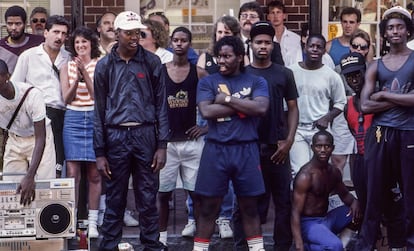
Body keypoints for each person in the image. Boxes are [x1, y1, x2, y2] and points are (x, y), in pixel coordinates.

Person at [94, 11, 168, 251]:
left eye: (138, 32)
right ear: (117, 34)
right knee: (115, 197)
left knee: (147, 196)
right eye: (129, 33)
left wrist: (162, 145)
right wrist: (100, 152)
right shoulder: (104, 65)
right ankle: (109, 245)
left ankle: (151, 244)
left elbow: (161, 105)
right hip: (115, 135)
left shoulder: (152, 62)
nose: (134, 37)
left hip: (145, 134)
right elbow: (99, 110)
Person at [193, 35, 269, 251]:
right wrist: (245, 105)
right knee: (208, 207)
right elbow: (206, 111)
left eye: (227, 56)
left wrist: (226, 100)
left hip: (246, 149)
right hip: (216, 149)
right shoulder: (208, 81)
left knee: (249, 207)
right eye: (219, 56)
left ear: (240, 57)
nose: (221, 61)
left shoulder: (256, 81)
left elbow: (261, 109)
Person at [353, 6, 414, 250]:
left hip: (409, 132)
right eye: (390, 28)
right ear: (384, 34)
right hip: (380, 134)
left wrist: (384, 96)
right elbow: (365, 105)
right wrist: (401, 96)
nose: (395, 31)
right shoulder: (376, 65)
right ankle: (367, 244)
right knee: (374, 193)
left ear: (408, 31)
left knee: (410, 195)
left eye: (400, 27)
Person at [234, 21, 298, 251]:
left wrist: (289, 141)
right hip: (249, 149)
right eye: (258, 42)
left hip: (277, 148)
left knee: (283, 202)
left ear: (273, 45)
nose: (263, 46)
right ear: (250, 44)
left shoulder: (284, 74)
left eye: (267, 43)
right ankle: (246, 247)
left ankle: (282, 246)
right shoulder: (241, 74)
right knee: (247, 203)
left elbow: (293, 108)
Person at [157, 26, 208, 246]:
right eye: (176, 40)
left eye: (183, 40)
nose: (179, 44)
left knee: (196, 195)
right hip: (166, 144)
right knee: (162, 195)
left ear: (190, 43)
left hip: (191, 142)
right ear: (171, 42)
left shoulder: (199, 72)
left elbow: (219, 102)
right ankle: (161, 241)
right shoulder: (159, 70)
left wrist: (206, 128)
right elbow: (151, 103)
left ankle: (199, 242)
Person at [11, 15, 71, 178]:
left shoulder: (68, 58)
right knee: (28, 169)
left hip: (60, 117)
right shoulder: (28, 56)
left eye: (64, 34)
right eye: (56, 32)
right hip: (34, 116)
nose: (60, 37)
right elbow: (15, 88)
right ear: (45, 33)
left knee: (53, 170)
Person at [60, 26, 101, 238]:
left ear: (91, 44)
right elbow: (66, 98)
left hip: (94, 117)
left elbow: (98, 97)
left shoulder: (100, 64)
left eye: (84, 42)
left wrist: (85, 72)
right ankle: (73, 221)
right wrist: (77, 78)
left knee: (94, 173)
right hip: (73, 117)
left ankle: (93, 223)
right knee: (72, 173)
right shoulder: (66, 66)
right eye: (77, 43)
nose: (80, 46)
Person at [288, 34, 347, 176]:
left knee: (320, 172)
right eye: (311, 46)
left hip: (319, 130)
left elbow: (341, 102)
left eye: (319, 47)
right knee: (299, 172)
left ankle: (320, 199)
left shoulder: (331, 75)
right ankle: (300, 199)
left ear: (324, 51)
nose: (315, 49)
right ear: (305, 47)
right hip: (298, 130)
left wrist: (327, 118)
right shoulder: (290, 72)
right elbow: (285, 102)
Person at [291, 130, 360, 251]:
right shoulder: (305, 176)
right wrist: (298, 244)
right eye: (319, 146)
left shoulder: (333, 172)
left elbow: (345, 196)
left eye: (327, 146)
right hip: (309, 224)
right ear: (312, 147)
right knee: (334, 245)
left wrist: (356, 203)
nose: (323, 150)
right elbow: (295, 212)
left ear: (332, 148)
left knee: (361, 211)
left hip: (327, 219)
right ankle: (311, 246)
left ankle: (339, 246)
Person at [0, 59, 55, 205]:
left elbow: (41, 138)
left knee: (43, 187)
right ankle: (18, 226)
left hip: (38, 139)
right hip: (15, 138)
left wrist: (30, 176)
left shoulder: (32, 94)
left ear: (7, 76)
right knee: (11, 190)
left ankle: (43, 227)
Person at [238, 1, 284, 66]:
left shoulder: (273, 47)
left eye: (252, 16)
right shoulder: (232, 44)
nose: (248, 19)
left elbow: (279, 71)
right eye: (244, 16)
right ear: (239, 20)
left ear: (260, 20)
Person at [0, 5, 44, 73]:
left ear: (25, 24)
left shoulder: (39, 42)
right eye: (10, 24)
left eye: (18, 24)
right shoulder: (1, 46)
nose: (13, 28)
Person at [266, 0, 302, 66]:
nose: (275, 16)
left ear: (284, 16)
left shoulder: (295, 38)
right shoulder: (266, 38)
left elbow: (299, 60)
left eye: (278, 12)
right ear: (268, 17)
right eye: (272, 13)